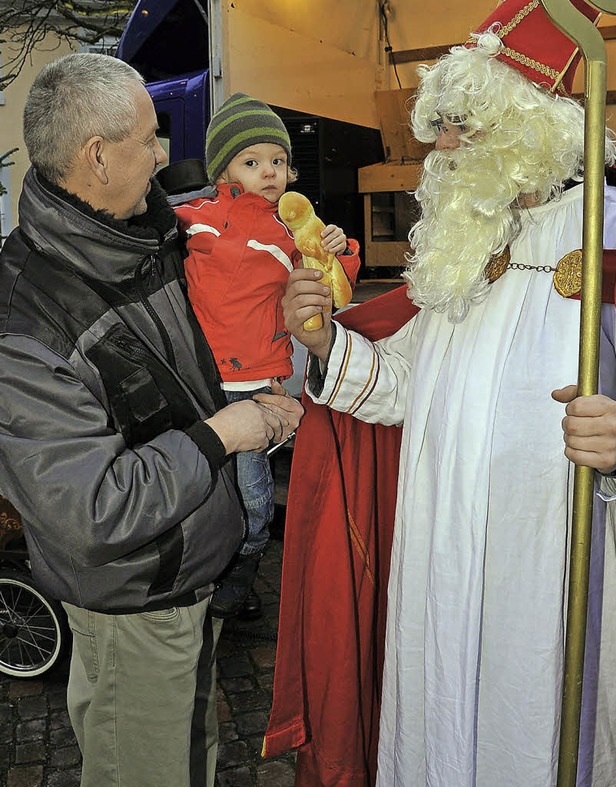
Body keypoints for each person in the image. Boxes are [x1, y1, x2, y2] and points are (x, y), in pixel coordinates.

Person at [272, 1, 616, 784]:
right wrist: (322, 343)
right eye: (437, 122)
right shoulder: (463, 238)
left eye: (460, 123)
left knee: (537, 735)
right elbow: (409, 387)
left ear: (531, 124)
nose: (438, 145)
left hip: (549, 568)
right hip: (438, 553)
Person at [0, 53, 302, 787]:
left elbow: (210, 336)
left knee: (187, 757)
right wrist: (227, 432)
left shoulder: (151, 230)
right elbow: (92, 508)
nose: (166, 152)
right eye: (149, 137)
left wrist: (282, 316)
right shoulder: (26, 323)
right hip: (135, 607)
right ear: (97, 156)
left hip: (193, 578)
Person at [173, 93, 360, 619]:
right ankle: (204, 577)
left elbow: (336, 278)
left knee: (254, 501)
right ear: (223, 169)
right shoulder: (194, 219)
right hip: (199, 381)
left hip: (256, 384)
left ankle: (242, 573)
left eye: (277, 161)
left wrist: (342, 248)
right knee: (201, 485)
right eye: (252, 162)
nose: (269, 173)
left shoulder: (293, 230)